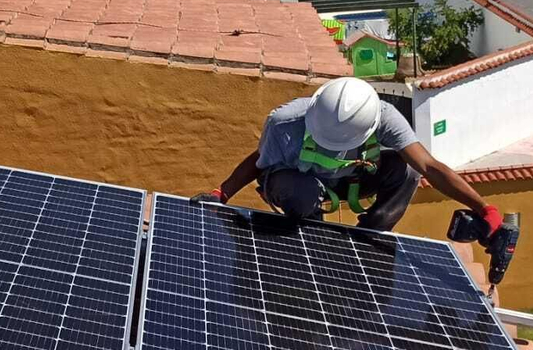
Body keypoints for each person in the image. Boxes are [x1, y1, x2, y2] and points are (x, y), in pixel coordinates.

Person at [194, 77, 503, 238]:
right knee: (300, 193)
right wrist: (221, 193)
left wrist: (483, 207)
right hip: (295, 185)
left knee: (407, 171)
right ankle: (308, 234)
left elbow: (429, 166)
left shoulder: (381, 116)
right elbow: (258, 159)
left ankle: (371, 235)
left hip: (347, 182)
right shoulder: (285, 122)